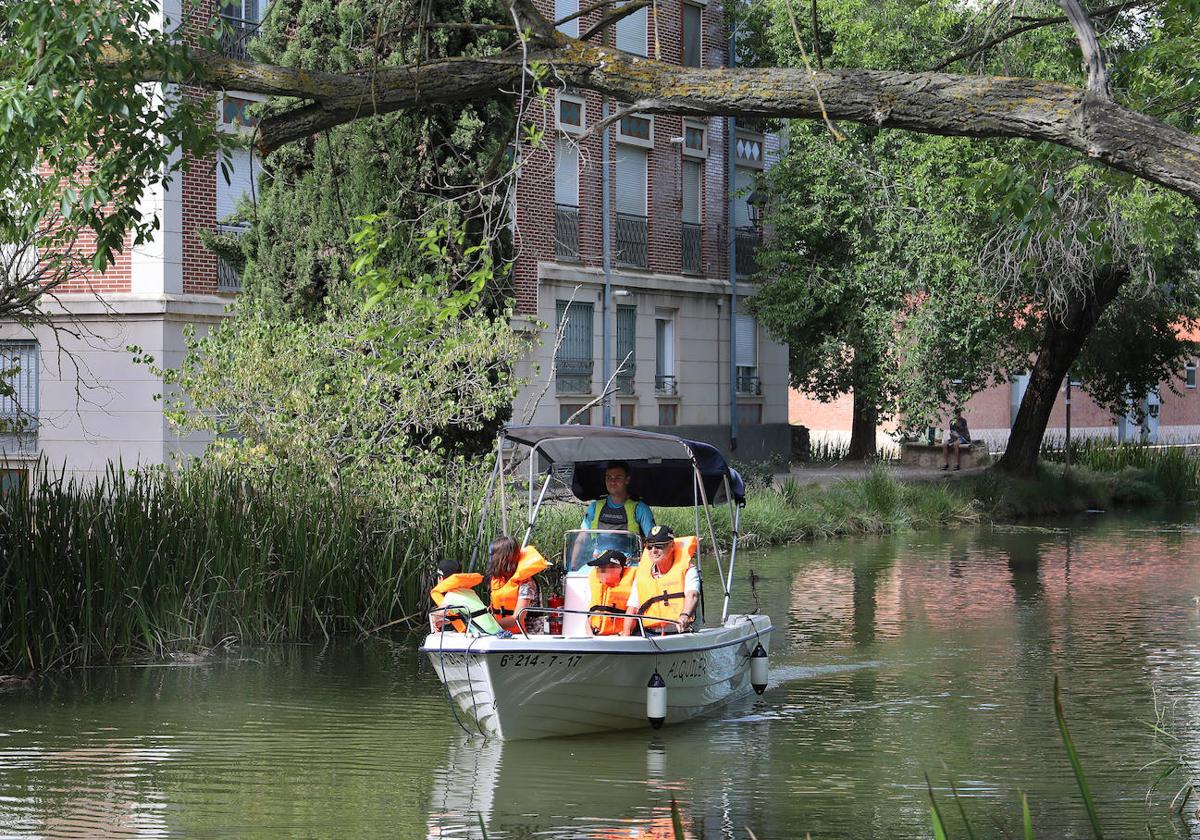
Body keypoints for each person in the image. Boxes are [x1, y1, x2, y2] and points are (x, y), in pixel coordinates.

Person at [622, 524, 700, 636]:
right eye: (649, 546)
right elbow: (632, 609)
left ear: (672, 546)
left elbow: (692, 595)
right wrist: (626, 635)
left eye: (659, 546)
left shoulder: (688, 570)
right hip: (650, 634)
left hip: (681, 632)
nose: (653, 550)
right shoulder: (641, 575)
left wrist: (684, 616)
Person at [488, 535, 550, 634]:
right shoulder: (498, 581)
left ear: (502, 558)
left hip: (527, 636)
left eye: (493, 556)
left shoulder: (526, 582)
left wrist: (488, 626)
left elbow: (517, 618)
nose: (491, 560)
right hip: (503, 632)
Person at [580, 460, 655, 538]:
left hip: (628, 550)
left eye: (618, 478)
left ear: (627, 480)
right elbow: (581, 537)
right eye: (609, 478)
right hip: (597, 550)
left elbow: (653, 540)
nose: (612, 482)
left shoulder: (640, 508)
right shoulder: (594, 507)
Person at [429, 559, 502, 634]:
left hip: (484, 634)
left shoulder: (451, 596)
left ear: (441, 578)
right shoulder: (468, 592)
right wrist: (443, 621)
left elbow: (439, 614)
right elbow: (456, 615)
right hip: (496, 630)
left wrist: (434, 619)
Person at [586, 549, 637, 636]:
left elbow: (633, 612)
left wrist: (625, 635)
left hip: (620, 636)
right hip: (596, 635)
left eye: (603, 568)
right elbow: (590, 616)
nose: (599, 571)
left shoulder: (633, 583)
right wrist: (591, 636)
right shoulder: (597, 585)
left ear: (618, 568)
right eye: (599, 568)